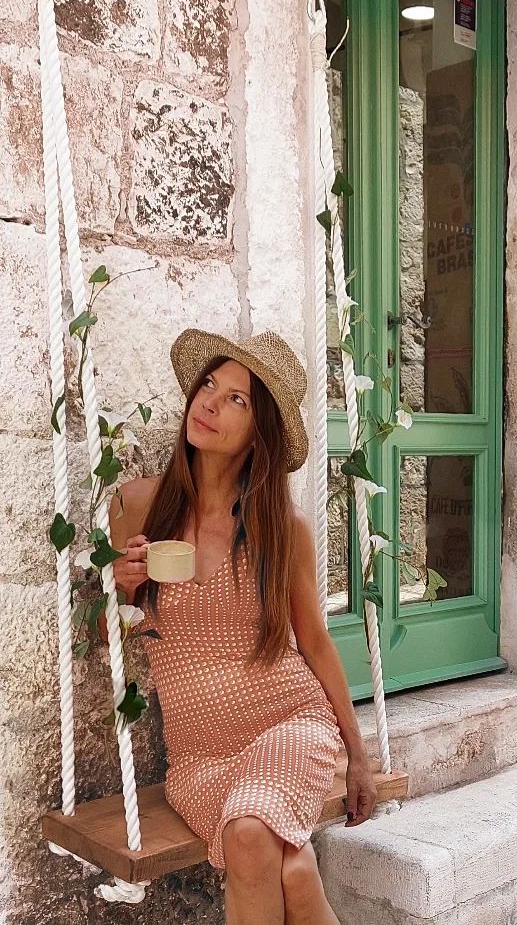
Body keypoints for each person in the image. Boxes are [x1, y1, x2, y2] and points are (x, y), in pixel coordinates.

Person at [107, 328, 377, 925]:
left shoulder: (282, 529)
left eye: (237, 399)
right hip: (200, 754)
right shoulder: (136, 506)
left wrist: (358, 756)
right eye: (209, 385)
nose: (209, 403)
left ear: (260, 434)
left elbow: (315, 642)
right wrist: (121, 590)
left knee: (251, 833)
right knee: (294, 870)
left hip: (289, 723)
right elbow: (114, 641)